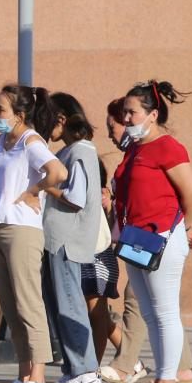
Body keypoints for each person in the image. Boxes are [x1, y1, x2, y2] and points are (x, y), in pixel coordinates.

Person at [113, 80, 192, 383]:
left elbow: (191, 194)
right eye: (124, 112)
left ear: (152, 114)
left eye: (132, 112)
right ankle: (164, 379)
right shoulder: (135, 147)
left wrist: (182, 228)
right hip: (136, 239)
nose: (126, 118)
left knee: (165, 311)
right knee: (149, 314)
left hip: (161, 237)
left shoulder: (168, 147)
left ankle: (168, 380)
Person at [0, 84, 67, 383]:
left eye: (1, 110)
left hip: (22, 229)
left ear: (20, 115)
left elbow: (57, 172)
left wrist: (34, 191)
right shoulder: (0, 140)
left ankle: (38, 376)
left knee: (28, 303)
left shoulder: (29, 141)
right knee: (10, 306)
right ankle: (23, 375)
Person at [42, 93, 104, 383]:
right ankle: (73, 371)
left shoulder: (80, 152)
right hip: (59, 241)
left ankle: (86, 371)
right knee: (61, 306)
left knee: (70, 305)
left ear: (61, 120)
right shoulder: (71, 151)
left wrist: (47, 186)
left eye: (47, 119)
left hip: (67, 241)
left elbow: (76, 200)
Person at [82, 155, 122, 364]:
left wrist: (108, 206)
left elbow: (110, 228)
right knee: (101, 316)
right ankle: (130, 360)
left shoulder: (100, 195)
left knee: (96, 315)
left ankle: (92, 368)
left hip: (99, 260)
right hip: (88, 259)